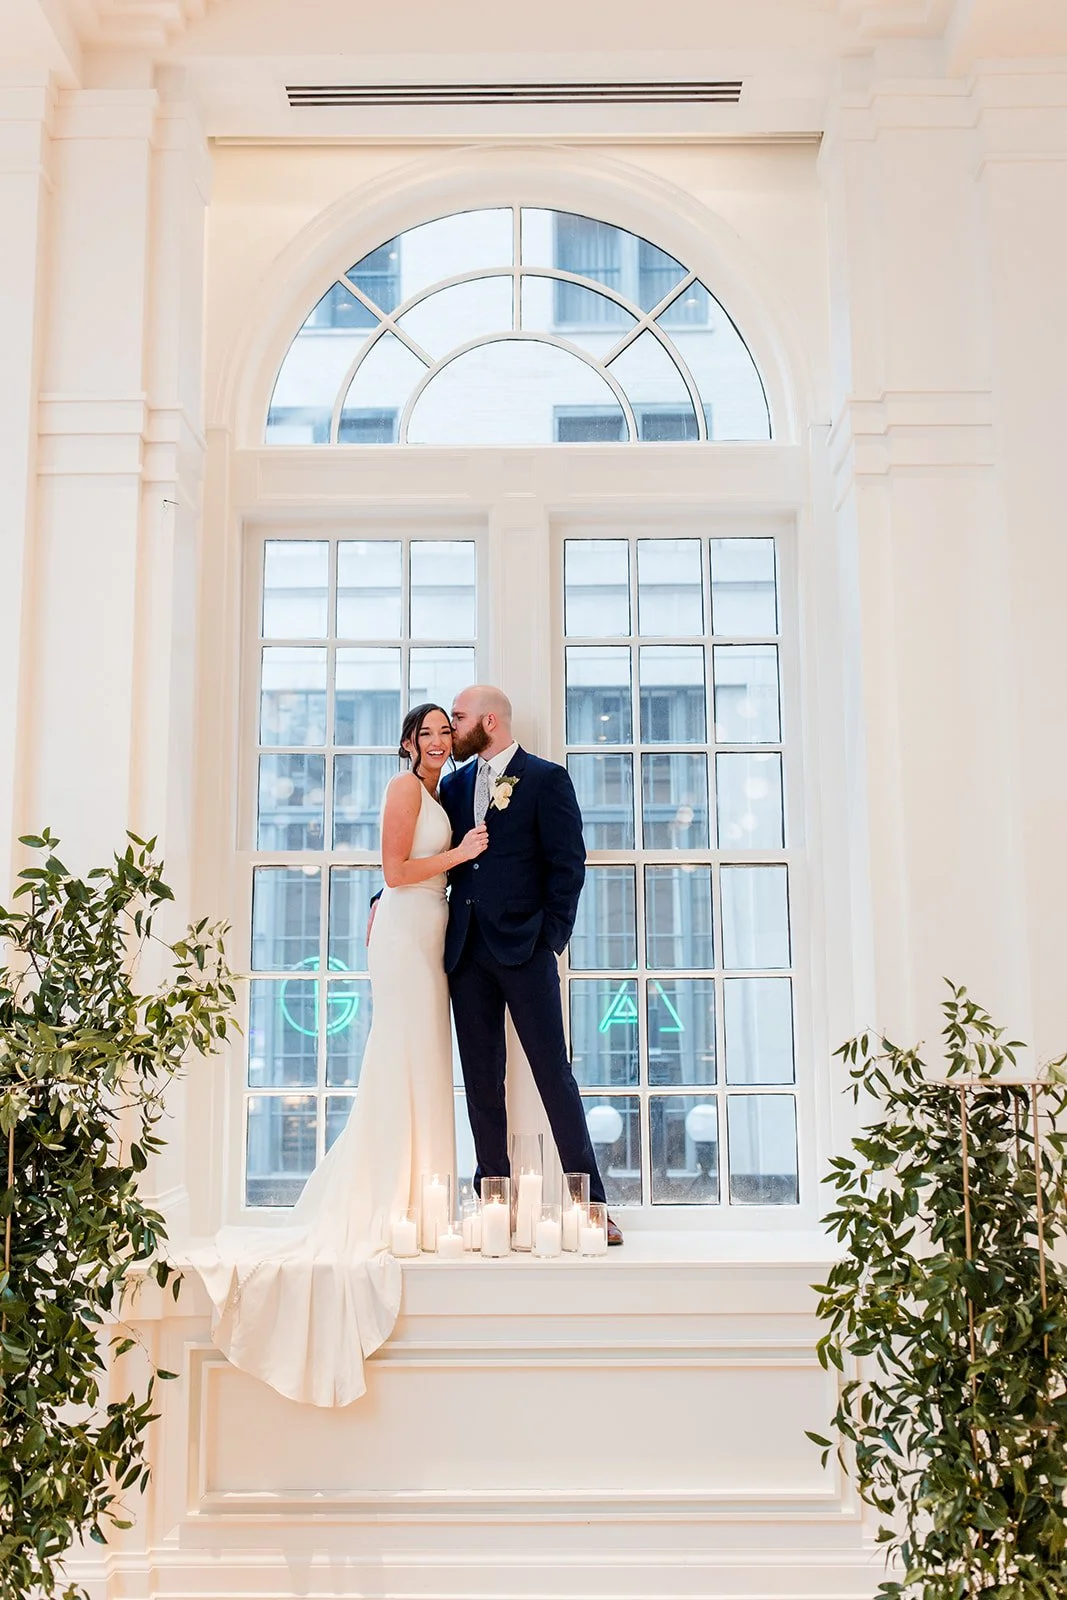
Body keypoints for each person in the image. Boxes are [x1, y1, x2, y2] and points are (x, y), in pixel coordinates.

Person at [191, 705, 487, 1406]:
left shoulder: (441, 791)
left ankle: (424, 1201)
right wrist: (461, 855)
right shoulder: (403, 787)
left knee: (424, 1059)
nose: (438, 740)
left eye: (445, 731)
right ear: (408, 741)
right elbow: (395, 868)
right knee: (399, 1054)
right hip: (407, 928)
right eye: (426, 732)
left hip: (430, 929)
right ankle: (390, 1198)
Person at [441, 685, 622, 1246]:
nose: (451, 728)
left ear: (490, 721)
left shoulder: (546, 779)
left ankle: (593, 1206)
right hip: (466, 952)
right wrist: (386, 898)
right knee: (481, 1081)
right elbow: (432, 858)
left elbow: (569, 864)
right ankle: (494, 1204)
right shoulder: (452, 786)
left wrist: (550, 939)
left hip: (526, 950)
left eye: (459, 718)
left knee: (554, 1075)